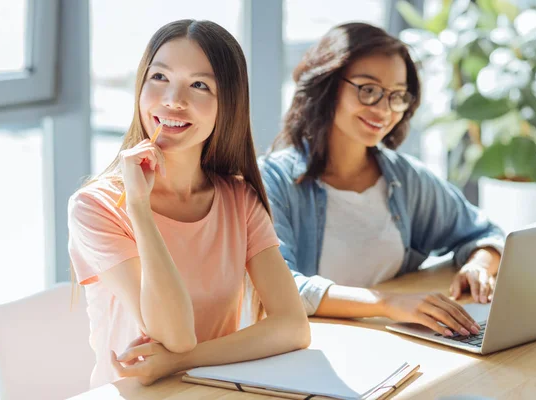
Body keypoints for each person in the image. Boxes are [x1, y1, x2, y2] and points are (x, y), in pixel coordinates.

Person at [68, 19, 310, 388]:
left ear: (227, 104)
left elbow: (293, 327)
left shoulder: (239, 199)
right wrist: (139, 207)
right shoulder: (95, 207)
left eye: (199, 85)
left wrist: (182, 361)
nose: (173, 100)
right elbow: (174, 334)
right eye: (160, 78)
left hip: (217, 391)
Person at [259, 22, 504, 339]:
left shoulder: (404, 177)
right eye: (368, 90)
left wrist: (479, 267)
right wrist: (386, 303)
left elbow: (485, 232)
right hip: (319, 351)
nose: (384, 110)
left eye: (397, 96)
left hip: (398, 341)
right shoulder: (272, 179)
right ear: (328, 85)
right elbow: (280, 288)